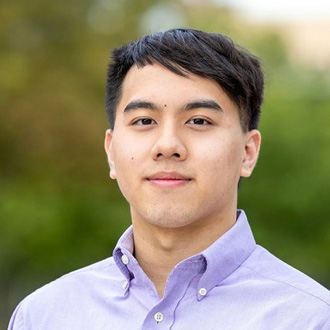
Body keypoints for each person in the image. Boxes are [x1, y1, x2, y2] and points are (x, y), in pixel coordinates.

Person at [8, 28, 330, 330]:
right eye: (144, 120)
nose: (167, 146)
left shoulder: (310, 318)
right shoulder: (43, 316)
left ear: (247, 152)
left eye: (199, 121)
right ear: (110, 151)